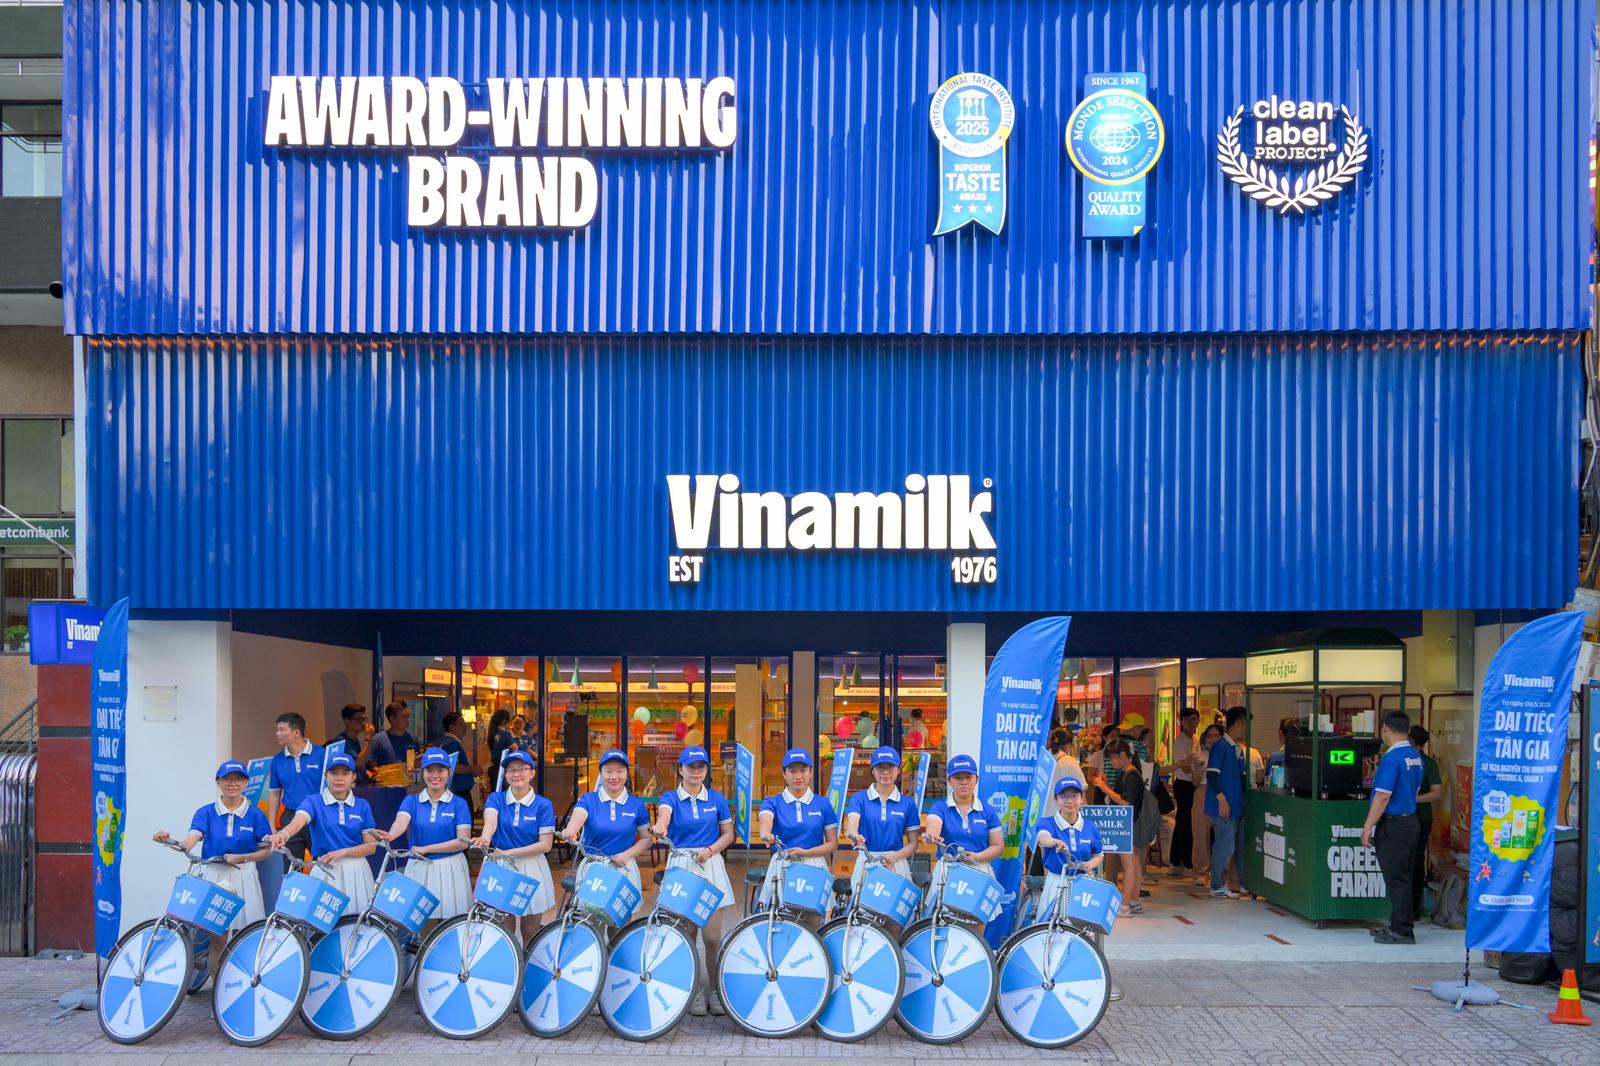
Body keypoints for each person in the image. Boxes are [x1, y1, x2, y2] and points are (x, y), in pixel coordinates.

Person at [152, 760, 273, 980]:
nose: (233, 784)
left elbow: (266, 851)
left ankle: (244, 985)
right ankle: (218, 988)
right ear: (218, 782)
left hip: (245, 875)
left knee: (247, 935)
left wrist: (243, 857)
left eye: (238, 779)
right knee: (218, 936)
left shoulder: (256, 815)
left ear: (246, 783)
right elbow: (188, 843)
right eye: (227, 779)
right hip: (214, 875)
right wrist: (169, 841)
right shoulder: (206, 812)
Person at [651, 745, 736, 1017]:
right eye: (690, 767)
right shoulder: (670, 798)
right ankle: (692, 990)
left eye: (701, 767)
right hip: (683, 868)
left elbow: (728, 834)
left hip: (710, 866)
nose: (696, 772)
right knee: (687, 935)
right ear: (681, 769)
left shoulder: (716, 799)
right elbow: (664, 814)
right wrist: (661, 825)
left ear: (706, 770)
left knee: (712, 937)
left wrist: (710, 850)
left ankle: (715, 989)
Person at [270, 751, 380, 911]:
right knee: (322, 921)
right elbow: (298, 822)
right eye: (334, 773)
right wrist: (283, 834)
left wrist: (345, 852)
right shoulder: (313, 802)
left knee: (357, 921)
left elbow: (371, 847)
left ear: (353, 777)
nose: (339, 778)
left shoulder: (362, 805)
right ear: (325, 775)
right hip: (325, 870)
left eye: (345, 773)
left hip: (357, 872)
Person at [380, 747, 472, 931]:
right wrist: (391, 835)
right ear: (422, 773)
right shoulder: (412, 801)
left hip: (450, 868)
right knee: (422, 925)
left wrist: (427, 848)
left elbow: (463, 841)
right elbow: (401, 821)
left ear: (449, 772)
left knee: (450, 927)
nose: (435, 775)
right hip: (420, 868)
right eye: (430, 770)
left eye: (440, 770)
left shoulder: (459, 803)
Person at [473, 749, 559, 940]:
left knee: (530, 931)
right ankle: (510, 960)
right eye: (511, 770)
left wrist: (508, 853)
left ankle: (528, 960)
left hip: (532, 867)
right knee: (504, 931)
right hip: (502, 868)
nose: (516, 774)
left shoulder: (543, 804)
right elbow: (491, 820)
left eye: (522, 769)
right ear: (505, 775)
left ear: (532, 773)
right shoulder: (496, 799)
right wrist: (486, 837)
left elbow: (545, 845)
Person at [1361, 711, 1425, 944]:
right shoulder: (1415, 756)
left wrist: (1368, 825)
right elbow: (1414, 791)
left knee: (1396, 878)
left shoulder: (1391, 758)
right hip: (1411, 821)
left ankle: (1402, 930)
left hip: (1395, 824)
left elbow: (1382, 796)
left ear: (1385, 728)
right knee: (1404, 876)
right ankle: (1399, 923)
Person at [756, 749, 839, 914]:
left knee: (813, 922)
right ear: (784, 774)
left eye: (803, 770)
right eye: (792, 771)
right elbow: (765, 821)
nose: (798, 776)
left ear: (811, 772)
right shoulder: (772, 802)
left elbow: (832, 844)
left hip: (814, 865)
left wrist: (806, 853)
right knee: (782, 919)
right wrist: (766, 834)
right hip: (784, 866)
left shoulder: (823, 804)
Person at [560, 748, 653, 893]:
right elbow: (578, 817)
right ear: (601, 773)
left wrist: (627, 855)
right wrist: (571, 829)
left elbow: (646, 839)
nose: (614, 777)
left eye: (619, 771)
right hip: (593, 868)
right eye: (608, 771)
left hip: (624, 868)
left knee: (622, 908)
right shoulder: (588, 799)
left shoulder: (636, 804)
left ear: (627, 773)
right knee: (589, 908)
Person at [843, 747, 921, 879]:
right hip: (867, 863)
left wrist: (896, 856)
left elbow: (913, 843)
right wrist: (855, 836)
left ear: (898, 770)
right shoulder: (859, 798)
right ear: (872, 770)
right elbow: (852, 824)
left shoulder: (908, 803)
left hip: (896, 864)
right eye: (880, 767)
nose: (885, 772)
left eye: (890, 767)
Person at [1033, 777, 1105, 917]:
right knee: (1051, 925)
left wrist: (1090, 864)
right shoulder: (1048, 822)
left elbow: (1098, 855)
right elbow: (1043, 837)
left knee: (1081, 926)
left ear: (1081, 798)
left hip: (1083, 885)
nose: (1070, 801)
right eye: (1063, 796)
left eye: (1074, 795)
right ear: (1056, 800)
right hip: (1056, 882)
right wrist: (1055, 842)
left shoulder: (1090, 826)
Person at [925, 754, 1004, 877]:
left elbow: (998, 846)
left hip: (980, 870)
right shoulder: (940, 807)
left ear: (976, 779)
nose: (964, 782)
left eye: (968, 777)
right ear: (949, 780)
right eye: (958, 778)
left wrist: (977, 857)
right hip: (948, 871)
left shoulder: (988, 811)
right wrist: (932, 835)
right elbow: (934, 824)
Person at [1095, 741, 1149, 915]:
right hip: (1129, 824)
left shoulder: (1131, 775)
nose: (1111, 763)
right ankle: (1133, 901)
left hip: (1127, 825)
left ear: (1123, 755)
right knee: (1134, 862)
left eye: (1112, 759)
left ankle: (1125, 905)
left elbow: (1126, 802)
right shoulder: (1128, 774)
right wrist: (1107, 787)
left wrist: (1105, 788)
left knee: (1128, 864)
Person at [265, 712, 324, 869]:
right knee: (291, 868)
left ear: (296, 732)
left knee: (321, 866)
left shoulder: (321, 754)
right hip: (290, 817)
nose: (277, 733)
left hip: (318, 816)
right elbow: (274, 793)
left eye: (281, 729)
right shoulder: (278, 760)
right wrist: (271, 824)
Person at [1205, 707, 1249, 899]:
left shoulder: (1236, 749)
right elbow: (1212, 775)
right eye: (1246, 726)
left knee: (1234, 845)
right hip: (1223, 807)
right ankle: (1217, 885)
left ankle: (1238, 882)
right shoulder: (1221, 747)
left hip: (1235, 806)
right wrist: (1222, 799)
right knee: (1225, 845)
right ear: (1239, 724)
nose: (1246, 731)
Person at [1409, 725, 1444, 917]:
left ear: (1413, 742)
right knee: (1412, 861)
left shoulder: (1427, 764)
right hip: (1416, 818)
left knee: (1413, 862)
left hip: (1418, 817)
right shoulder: (1427, 763)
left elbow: (1437, 793)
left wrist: (1412, 799)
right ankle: (1410, 910)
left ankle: (1411, 909)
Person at [1169, 707, 1200, 878]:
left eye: (1193, 719)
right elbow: (1185, 767)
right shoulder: (1181, 741)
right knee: (1186, 825)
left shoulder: (1195, 739)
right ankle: (1187, 863)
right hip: (1184, 785)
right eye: (1187, 719)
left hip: (1192, 785)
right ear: (1181, 722)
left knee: (1183, 824)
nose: (1190, 723)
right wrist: (1198, 768)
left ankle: (1175, 862)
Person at [1190, 722, 1222, 882]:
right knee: (1200, 833)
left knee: (1224, 832)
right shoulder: (1198, 756)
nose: (1213, 739)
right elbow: (1195, 782)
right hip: (1203, 791)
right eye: (1210, 736)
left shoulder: (1226, 754)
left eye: (1216, 736)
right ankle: (1201, 871)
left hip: (1222, 793)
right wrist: (1198, 771)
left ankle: (1223, 871)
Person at [436, 711, 481, 811]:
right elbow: (453, 766)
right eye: (461, 723)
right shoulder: (452, 743)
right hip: (458, 790)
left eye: (464, 723)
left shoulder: (449, 742)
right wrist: (472, 769)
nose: (464, 726)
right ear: (451, 727)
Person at [326, 703, 375, 783]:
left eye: (364, 719)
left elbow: (362, 768)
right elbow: (357, 763)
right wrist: (368, 739)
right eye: (359, 719)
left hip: (362, 786)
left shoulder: (360, 742)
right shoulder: (341, 742)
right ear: (347, 721)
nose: (363, 723)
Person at [368, 699, 421, 770]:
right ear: (392, 719)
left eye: (408, 716)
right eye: (403, 716)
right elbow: (371, 767)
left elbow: (417, 766)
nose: (407, 720)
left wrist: (417, 763)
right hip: (387, 776)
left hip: (409, 776)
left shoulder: (413, 739)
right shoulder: (378, 740)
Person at [487, 710, 515, 785]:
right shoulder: (505, 734)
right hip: (503, 767)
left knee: (495, 790)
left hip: (493, 767)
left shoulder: (492, 732)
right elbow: (515, 748)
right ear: (504, 721)